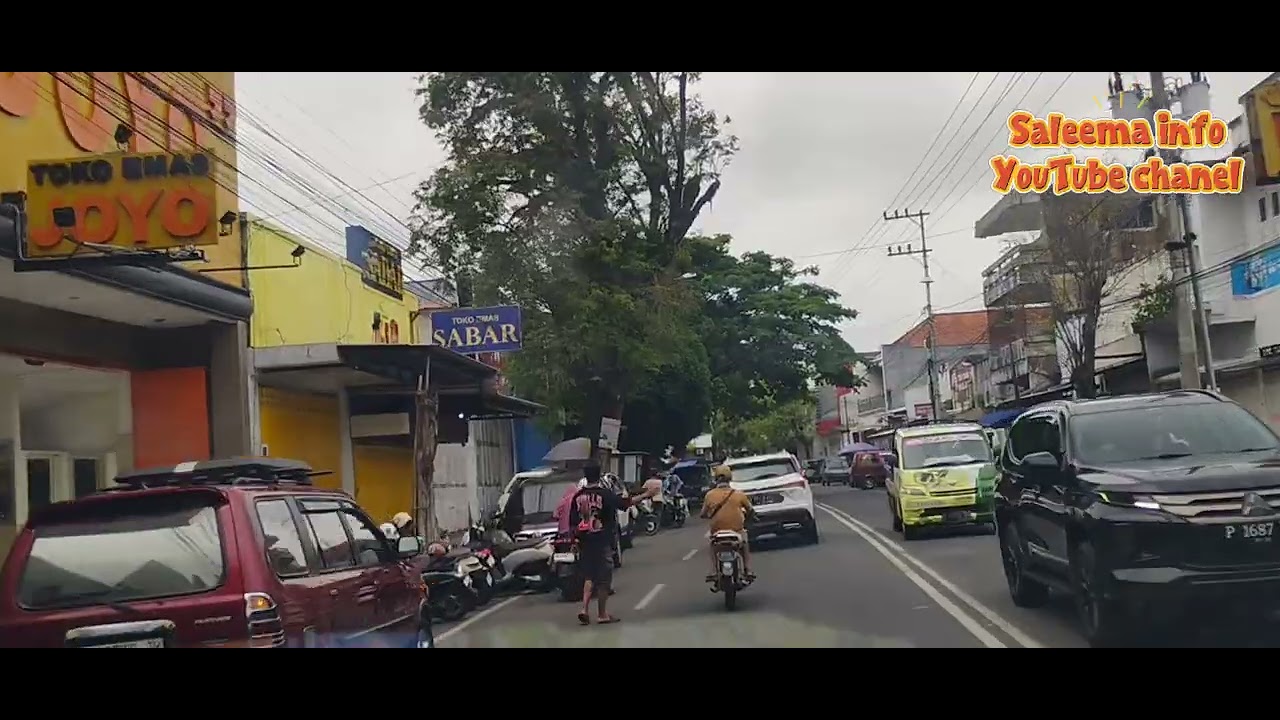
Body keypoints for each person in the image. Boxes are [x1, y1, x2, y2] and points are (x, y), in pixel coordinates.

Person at [568, 463, 658, 625]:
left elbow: (572, 522)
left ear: (585, 476)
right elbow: (625, 503)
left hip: (585, 541)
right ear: (599, 476)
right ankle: (602, 614)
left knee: (589, 576)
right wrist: (646, 495)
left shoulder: (577, 497)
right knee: (604, 579)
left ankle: (584, 609)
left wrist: (575, 540)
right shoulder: (605, 494)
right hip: (602, 541)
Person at [701, 464, 756, 581]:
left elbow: (703, 514)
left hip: (717, 532)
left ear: (716, 479)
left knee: (712, 546)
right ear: (730, 478)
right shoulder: (739, 494)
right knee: (744, 543)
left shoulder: (709, 495)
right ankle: (747, 569)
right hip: (736, 531)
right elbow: (750, 510)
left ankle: (714, 570)